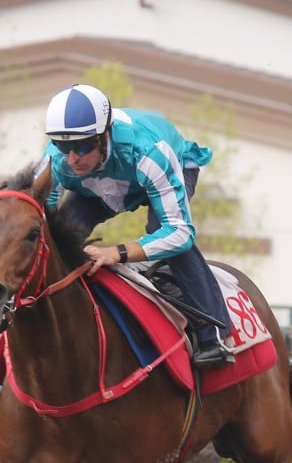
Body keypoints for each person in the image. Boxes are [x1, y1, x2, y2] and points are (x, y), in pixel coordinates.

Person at [40, 84, 234, 367]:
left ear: (104, 135)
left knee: (164, 233)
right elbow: (42, 216)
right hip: (101, 182)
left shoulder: (149, 152)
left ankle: (212, 332)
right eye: (63, 145)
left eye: (81, 146)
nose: (72, 158)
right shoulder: (56, 159)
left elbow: (179, 233)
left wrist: (117, 252)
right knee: (62, 236)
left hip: (164, 168)